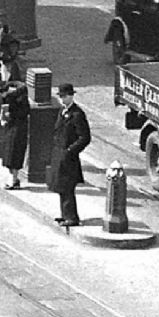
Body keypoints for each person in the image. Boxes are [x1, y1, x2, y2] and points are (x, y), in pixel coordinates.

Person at [51, 83, 92, 228]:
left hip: (69, 158)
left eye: (64, 96)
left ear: (71, 96)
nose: (62, 99)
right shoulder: (62, 111)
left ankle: (72, 218)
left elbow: (85, 137)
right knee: (61, 187)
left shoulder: (77, 114)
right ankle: (65, 215)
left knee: (68, 188)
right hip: (59, 155)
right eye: (60, 96)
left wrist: (70, 151)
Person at [0, 63, 31, 190]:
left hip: (18, 128)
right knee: (10, 153)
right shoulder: (9, 97)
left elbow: (23, 112)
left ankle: (14, 179)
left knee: (14, 153)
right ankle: (13, 178)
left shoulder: (17, 98)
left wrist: (10, 114)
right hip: (12, 127)